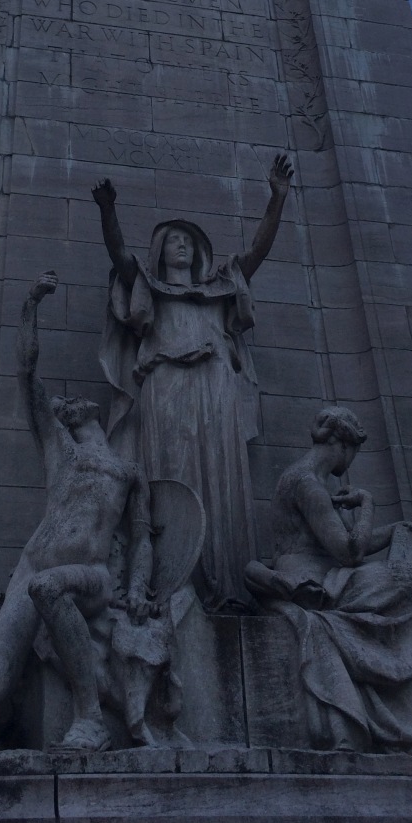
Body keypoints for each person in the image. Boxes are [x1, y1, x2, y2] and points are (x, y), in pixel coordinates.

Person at [245, 406, 412, 757]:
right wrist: (368, 503)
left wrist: (398, 530)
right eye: (355, 451)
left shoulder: (307, 480)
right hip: (319, 583)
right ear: (344, 444)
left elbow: (343, 543)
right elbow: (349, 551)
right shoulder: (307, 483)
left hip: (329, 575)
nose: (352, 460)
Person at [93, 154, 293, 612]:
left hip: (216, 385)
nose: (181, 246)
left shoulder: (220, 288)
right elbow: (119, 255)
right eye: (173, 241)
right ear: (160, 251)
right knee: (170, 473)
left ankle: (229, 582)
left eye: (187, 241)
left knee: (222, 478)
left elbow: (257, 253)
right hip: (164, 385)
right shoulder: (149, 286)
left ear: (198, 250)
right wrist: (108, 210)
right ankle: (171, 582)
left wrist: (277, 200)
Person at [0, 272, 153, 752]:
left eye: (72, 401)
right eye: (63, 402)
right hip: (32, 566)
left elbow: (142, 538)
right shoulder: (60, 448)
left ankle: (89, 718)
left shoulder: (130, 472)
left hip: (92, 575)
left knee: (49, 588)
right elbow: (27, 374)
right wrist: (30, 306)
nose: (68, 401)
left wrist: (137, 588)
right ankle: (18, 736)